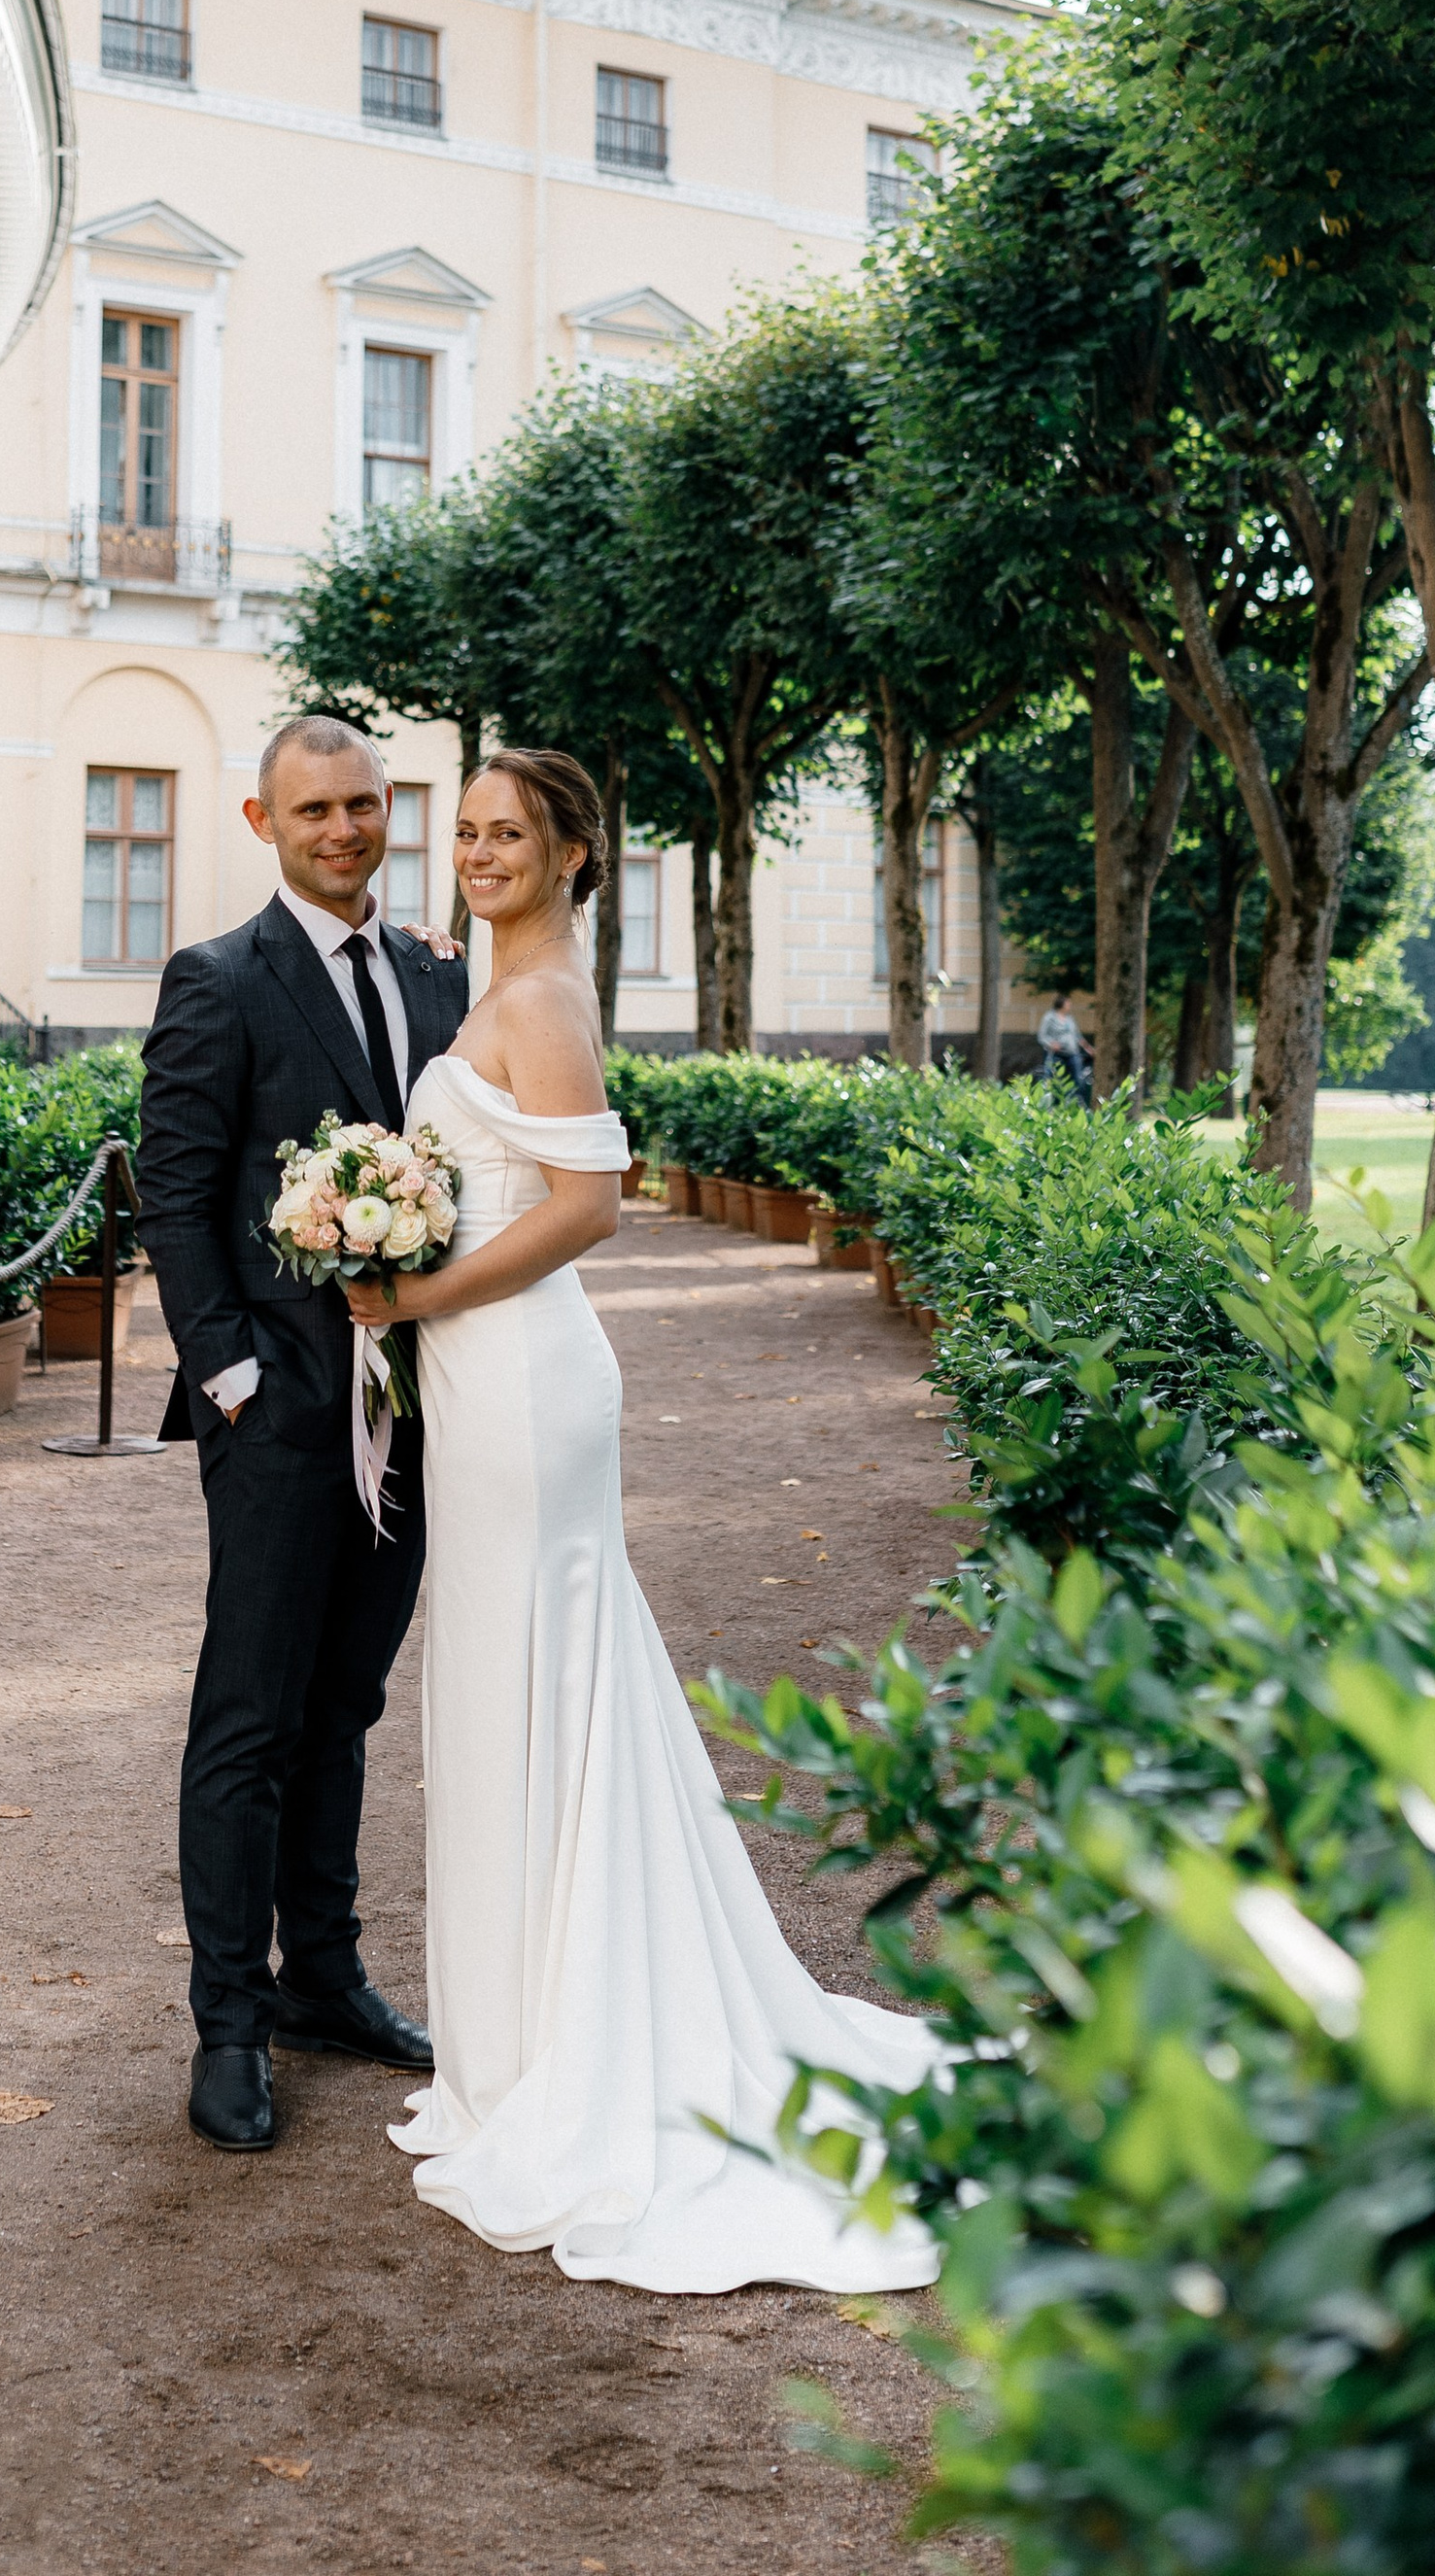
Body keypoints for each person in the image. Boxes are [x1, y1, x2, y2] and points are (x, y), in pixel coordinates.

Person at [343, 746, 937, 2295]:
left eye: (508, 834)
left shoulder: (543, 1001)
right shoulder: (495, 983)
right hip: (477, 1383)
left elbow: (585, 1210)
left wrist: (411, 1289)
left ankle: (567, 2053)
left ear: (571, 854)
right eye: (462, 830)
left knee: (538, 1687)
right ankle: (515, 2045)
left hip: (526, 1386)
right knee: (497, 1692)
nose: (476, 853)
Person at [138, 713, 472, 2155]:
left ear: (388, 809)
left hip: (419, 1415)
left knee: (348, 1704)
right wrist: (232, 1384)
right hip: (276, 1414)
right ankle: (230, 2020)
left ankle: (326, 1979)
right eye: (314, 809)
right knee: (252, 1717)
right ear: (260, 820)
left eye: (363, 804)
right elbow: (176, 1191)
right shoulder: (217, 980)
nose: (343, 829)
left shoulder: (438, 979)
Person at [1038, 985, 1093, 1107]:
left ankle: (1078, 1104)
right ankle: (1054, 1104)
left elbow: (1078, 1036)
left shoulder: (1070, 1019)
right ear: (1061, 1004)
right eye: (1068, 1003)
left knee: (1078, 1079)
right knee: (1055, 1080)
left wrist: (1088, 1048)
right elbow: (1042, 1036)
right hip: (1056, 1055)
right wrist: (1051, 1044)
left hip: (1072, 1053)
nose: (1070, 1005)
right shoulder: (1049, 1017)